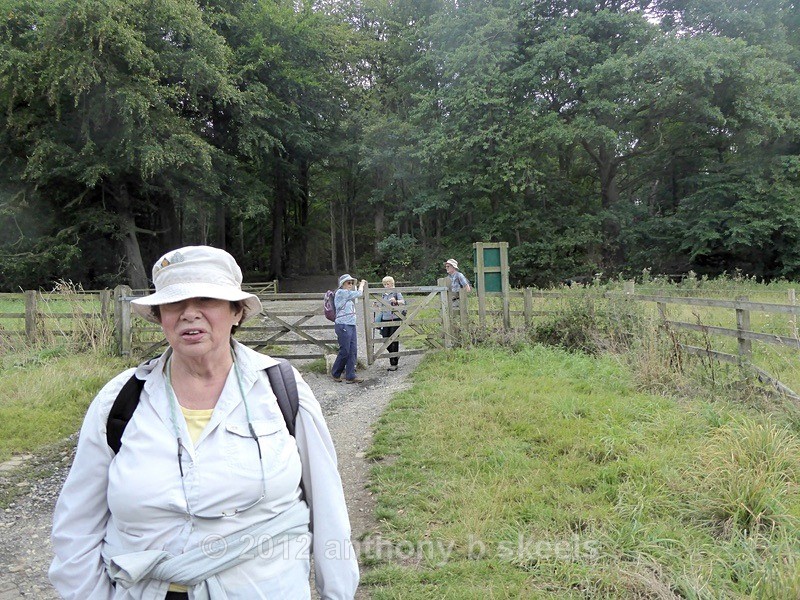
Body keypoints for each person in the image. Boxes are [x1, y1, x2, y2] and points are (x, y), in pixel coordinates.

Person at [49, 246, 359, 600]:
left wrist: (337, 592)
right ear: (159, 315)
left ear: (237, 312)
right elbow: (76, 528)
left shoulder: (280, 389)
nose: (189, 314)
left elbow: (328, 509)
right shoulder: (119, 400)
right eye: (174, 302)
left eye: (207, 300)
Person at [331, 274, 366, 384]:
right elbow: (359, 293)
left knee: (352, 350)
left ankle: (350, 375)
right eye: (348, 283)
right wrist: (362, 285)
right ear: (342, 284)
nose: (350, 285)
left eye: (352, 283)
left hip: (351, 324)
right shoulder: (341, 292)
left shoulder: (347, 295)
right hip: (343, 324)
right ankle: (336, 372)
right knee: (345, 350)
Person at [377, 276, 405, 372]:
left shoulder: (396, 292)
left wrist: (396, 301)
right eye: (384, 284)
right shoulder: (383, 294)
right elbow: (381, 305)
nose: (386, 286)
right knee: (385, 338)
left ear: (392, 283)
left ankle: (393, 363)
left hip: (395, 318)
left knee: (394, 339)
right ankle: (395, 355)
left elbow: (403, 302)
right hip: (385, 318)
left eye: (388, 283)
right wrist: (376, 305)